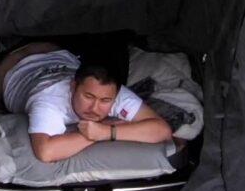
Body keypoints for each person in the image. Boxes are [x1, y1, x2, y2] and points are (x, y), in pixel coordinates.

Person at [27, 55, 175, 164]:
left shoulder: (112, 91)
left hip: (63, 58)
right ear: (73, 87)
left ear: (116, 95)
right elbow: (46, 152)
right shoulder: (48, 101)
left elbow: (162, 131)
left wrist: (107, 132)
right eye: (88, 96)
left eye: (105, 101)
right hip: (19, 61)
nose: (94, 108)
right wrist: (92, 135)